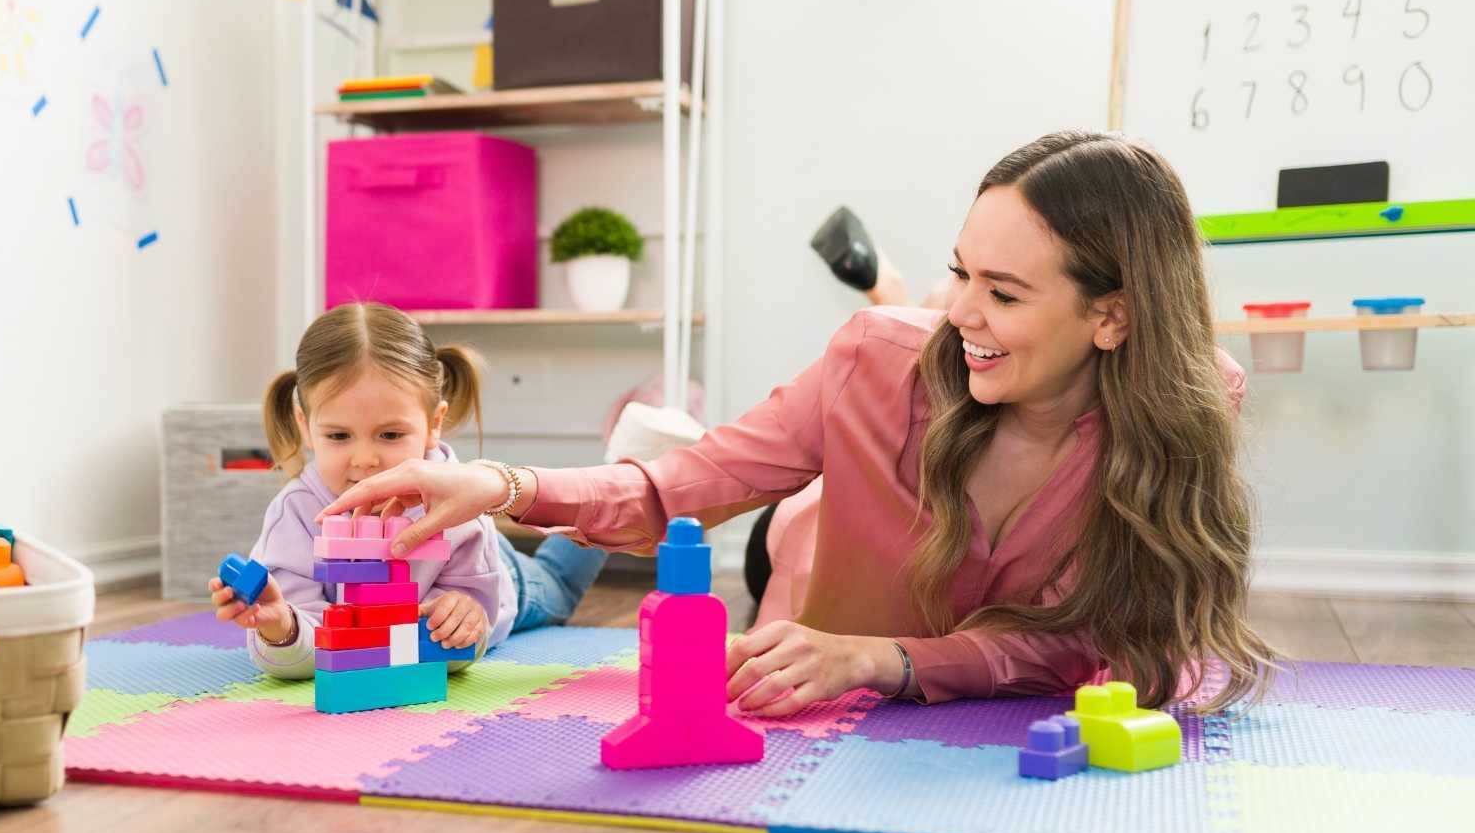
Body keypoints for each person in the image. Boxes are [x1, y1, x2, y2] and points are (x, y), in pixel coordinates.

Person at [316, 130, 1276, 716]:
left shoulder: (1189, 404)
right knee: (792, 527)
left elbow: (1099, 640)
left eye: (1004, 292)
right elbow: (684, 485)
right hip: (814, 555)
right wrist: (505, 485)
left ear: (1113, 317)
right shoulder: (876, 360)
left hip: (887, 627)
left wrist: (886, 660)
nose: (963, 311)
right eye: (961, 274)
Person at [210, 302, 608, 677]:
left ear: (434, 424)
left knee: (558, 582)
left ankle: (614, 476)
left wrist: (461, 614)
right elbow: (304, 638)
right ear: (305, 426)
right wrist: (282, 627)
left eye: (390, 434)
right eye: (339, 435)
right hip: (404, 605)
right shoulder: (295, 512)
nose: (365, 459)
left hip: (505, 578)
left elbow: (464, 634)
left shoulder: (456, 503)